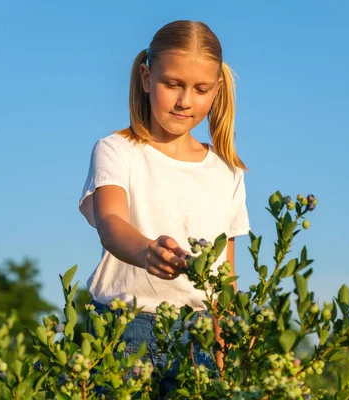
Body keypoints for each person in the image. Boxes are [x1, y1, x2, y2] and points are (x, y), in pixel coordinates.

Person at [78, 19, 250, 395]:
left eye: (201, 89)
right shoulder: (117, 150)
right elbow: (110, 221)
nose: (185, 100)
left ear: (217, 90)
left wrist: (227, 355)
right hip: (123, 328)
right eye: (172, 84)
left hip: (199, 336)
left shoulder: (227, 171)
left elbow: (225, 279)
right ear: (145, 77)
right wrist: (146, 252)